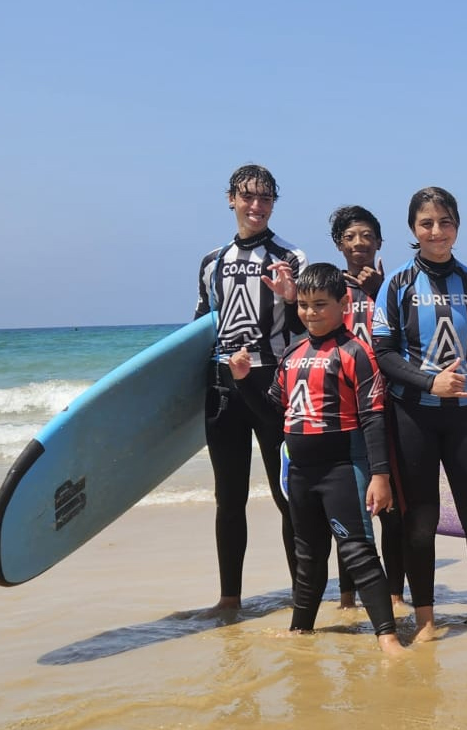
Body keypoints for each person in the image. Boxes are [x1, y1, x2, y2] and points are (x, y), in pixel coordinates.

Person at [228, 263, 406, 655]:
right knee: (307, 554)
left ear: (343, 304)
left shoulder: (355, 353)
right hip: (301, 473)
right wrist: (243, 382)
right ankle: (300, 629)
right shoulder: (292, 354)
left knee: (357, 551)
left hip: (343, 467)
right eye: (304, 305)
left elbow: (373, 418)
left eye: (320, 305)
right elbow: (272, 415)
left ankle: (388, 637)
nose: (310, 313)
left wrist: (380, 476)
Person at [371, 187, 467, 638]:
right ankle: (426, 620)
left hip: (464, 418)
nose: (437, 231)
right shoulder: (397, 284)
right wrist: (428, 381)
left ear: (457, 226)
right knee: (421, 520)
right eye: (426, 223)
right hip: (412, 416)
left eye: (445, 222)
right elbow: (383, 352)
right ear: (414, 229)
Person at [193, 164, 305, 613]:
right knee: (229, 497)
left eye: (266, 198)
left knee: (287, 493)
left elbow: (303, 329)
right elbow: (200, 328)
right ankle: (229, 598)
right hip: (223, 388)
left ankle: (303, 593)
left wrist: (292, 297)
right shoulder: (211, 261)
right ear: (231, 199)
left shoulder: (290, 256)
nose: (257, 206)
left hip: (271, 384)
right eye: (248, 197)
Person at [326, 205, 406, 613]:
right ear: (339, 244)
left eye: (366, 235)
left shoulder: (395, 284)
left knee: (392, 509)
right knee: (351, 507)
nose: (359, 243)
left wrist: (378, 291)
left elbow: (412, 333)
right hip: (342, 409)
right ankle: (346, 597)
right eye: (350, 236)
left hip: (388, 406)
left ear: (379, 242)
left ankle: (394, 594)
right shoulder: (328, 286)